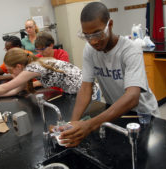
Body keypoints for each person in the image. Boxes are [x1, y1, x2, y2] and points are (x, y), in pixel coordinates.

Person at [59, 2, 158, 147]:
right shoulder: (89, 50)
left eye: (98, 34)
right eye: (87, 36)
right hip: (115, 112)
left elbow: (132, 98)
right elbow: (86, 88)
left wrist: (90, 125)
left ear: (110, 24)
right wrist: (72, 124)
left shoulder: (130, 50)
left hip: (142, 115)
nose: (93, 41)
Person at [0, 48, 99, 105]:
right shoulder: (30, 66)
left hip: (87, 92)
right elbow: (15, 90)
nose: (10, 74)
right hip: (74, 92)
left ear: (19, 66)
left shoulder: (33, 68)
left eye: (10, 70)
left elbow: (7, 87)